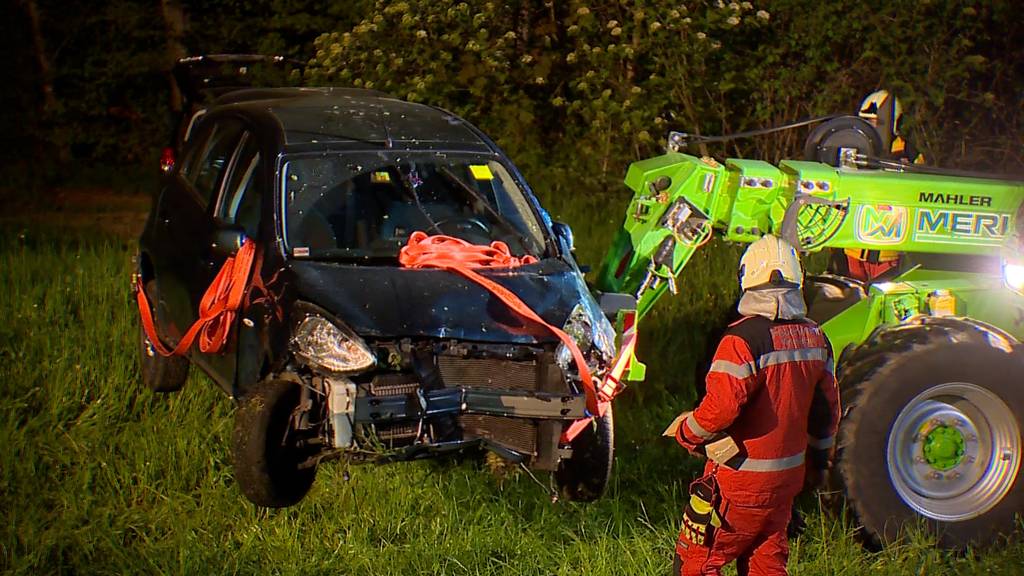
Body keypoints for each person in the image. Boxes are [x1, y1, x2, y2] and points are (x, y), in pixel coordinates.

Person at [671, 234, 840, 576]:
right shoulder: (816, 337)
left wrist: (688, 433)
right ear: (798, 281)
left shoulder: (741, 340)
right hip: (786, 482)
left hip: (740, 482)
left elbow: (720, 410)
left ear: (746, 279)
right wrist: (819, 463)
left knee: (697, 561)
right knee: (767, 562)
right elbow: (826, 414)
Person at [832, 89, 924, 282]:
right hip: (853, 245)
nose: (869, 127)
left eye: (874, 122)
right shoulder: (853, 150)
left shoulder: (909, 155)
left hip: (888, 247)